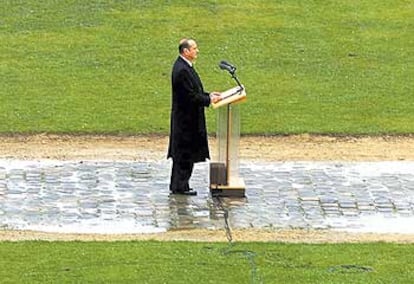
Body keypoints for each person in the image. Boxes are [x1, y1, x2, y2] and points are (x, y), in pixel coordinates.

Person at [167, 38, 222, 195]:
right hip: (185, 121)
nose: (197, 51)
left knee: (185, 155)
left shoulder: (185, 67)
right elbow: (189, 97)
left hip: (187, 120)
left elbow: (195, 91)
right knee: (184, 155)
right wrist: (208, 99)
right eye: (194, 48)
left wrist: (208, 95)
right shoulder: (182, 70)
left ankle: (180, 185)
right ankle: (179, 186)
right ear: (186, 51)